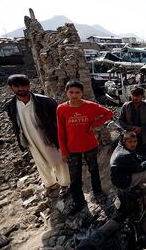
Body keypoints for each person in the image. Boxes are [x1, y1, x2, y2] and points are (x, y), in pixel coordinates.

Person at [4, 74, 70, 196]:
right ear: (11, 88)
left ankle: (64, 184)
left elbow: (59, 121)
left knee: (59, 160)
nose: (21, 89)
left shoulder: (45, 101)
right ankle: (50, 184)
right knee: (40, 162)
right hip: (30, 138)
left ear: (29, 86)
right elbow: (15, 123)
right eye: (17, 86)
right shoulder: (10, 105)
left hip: (49, 137)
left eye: (24, 86)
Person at [57, 80, 114, 215]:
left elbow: (109, 113)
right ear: (67, 93)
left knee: (94, 170)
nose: (74, 95)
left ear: (82, 93)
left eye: (77, 92)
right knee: (75, 176)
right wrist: (64, 152)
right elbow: (60, 132)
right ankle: (79, 200)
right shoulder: (61, 109)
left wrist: (94, 124)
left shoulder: (89, 106)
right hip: (72, 148)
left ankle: (98, 192)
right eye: (71, 92)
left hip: (90, 145)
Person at [110, 131, 146, 223]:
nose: (133, 144)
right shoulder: (126, 155)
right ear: (124, 141)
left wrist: (145, 159)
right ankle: (134, 185)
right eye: (130, 142)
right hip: (123, 182)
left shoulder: (120, 146)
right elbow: (139, 168)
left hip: (118, 178)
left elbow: (136, 158)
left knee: (145, 162)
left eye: (135, 141)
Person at [118, 87, 146, 158]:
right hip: (130, 139)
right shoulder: (126, 106)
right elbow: (121, 120)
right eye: (133, 95)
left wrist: (141, 129)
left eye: (137, 96)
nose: (135, 97)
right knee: (132, 159)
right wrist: (130, 128)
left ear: (142, 96)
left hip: (145, 139)